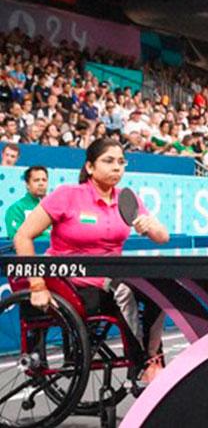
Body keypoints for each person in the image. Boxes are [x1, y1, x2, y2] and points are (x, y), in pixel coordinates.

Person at [13, 138, 172, 383]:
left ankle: (152, 358)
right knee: (124, 291)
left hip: (111, 276)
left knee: (160, 288)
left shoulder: (126, 198)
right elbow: (22, 236)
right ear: (89, 167)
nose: (116, 167)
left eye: (121, 162)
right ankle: (142, 364)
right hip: (72, 281)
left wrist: (151, 226)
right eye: (108, 161)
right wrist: (37, 285)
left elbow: (163, 237)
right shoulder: (67, 195)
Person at [5, 166, 50, 239]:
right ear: (27, 185)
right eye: (36, 180)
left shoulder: (55, 208)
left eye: (44, 180)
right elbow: (18, 237)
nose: (41, 183)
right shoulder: (16, 209)